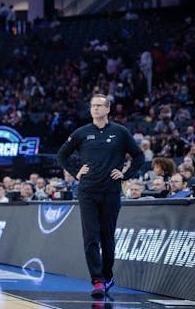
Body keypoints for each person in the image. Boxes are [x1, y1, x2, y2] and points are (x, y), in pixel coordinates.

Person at [56, 93, 143, 298]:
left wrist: (125, 174)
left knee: (107, 237)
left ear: (108, 109)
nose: (95, 109)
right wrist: (76, 171)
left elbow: (138, 156)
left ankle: (107, 275)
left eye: (99, 105)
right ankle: (97, 280)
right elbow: (62, 154)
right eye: (93, 105)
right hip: (87, 191)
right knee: (90, 237)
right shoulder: (81, 132)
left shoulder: (120, 132)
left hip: (111, 191)